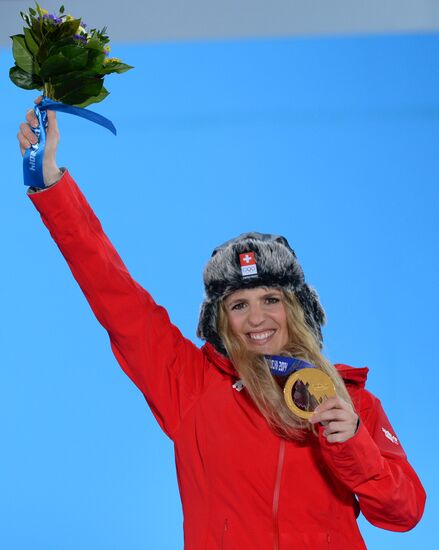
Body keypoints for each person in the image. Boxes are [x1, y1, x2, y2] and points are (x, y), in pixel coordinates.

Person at [17, 102, 426, 549]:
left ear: (296, 307)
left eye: (271, 299)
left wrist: (352, 444)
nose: (256, 318)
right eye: (238, 304)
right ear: (219, 319)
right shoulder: (188, 385)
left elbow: (404, 514)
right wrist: (50, 181)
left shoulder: (351, 404)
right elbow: (111, 290)